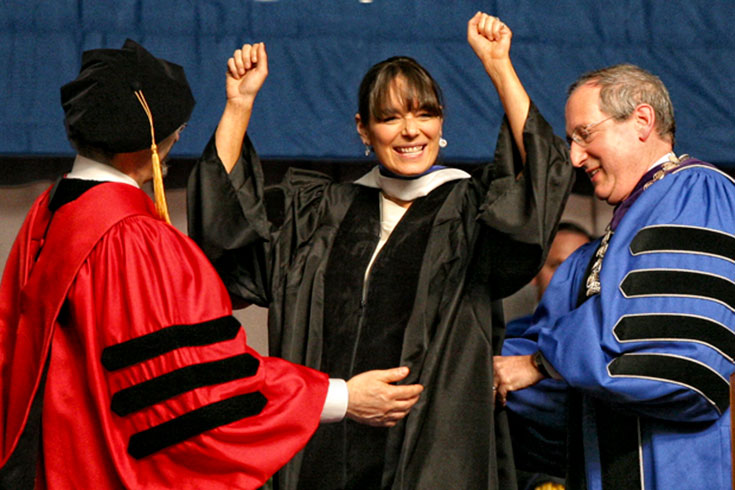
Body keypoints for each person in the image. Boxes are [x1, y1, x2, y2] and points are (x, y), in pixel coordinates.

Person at [0, 39, 423, 490]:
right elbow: (198, 389)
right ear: (140, 144)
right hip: (108, 472)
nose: (176, 139)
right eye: (171, 131)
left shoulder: (50, 213)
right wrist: (341, 396)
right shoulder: (134, 240)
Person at [188, 12, 573, 490]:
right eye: (390, 118)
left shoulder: (470, 213)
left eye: (423, 113)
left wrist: (499, 66)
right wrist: (238, 105)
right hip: (318, 457)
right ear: (364, 130)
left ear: (440, 123)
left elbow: (539, 184)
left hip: (431, 459)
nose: (410, 130)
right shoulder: (320, 213)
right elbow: (227, 242)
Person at [495, 63, 735, 489]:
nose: (574, 157)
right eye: (570, 141)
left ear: (642, 121)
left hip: (673, 469)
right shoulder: (593, 253)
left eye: (585, 135)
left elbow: (677, 364)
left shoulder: (695, 192)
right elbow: (542, 381)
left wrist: (541, 362)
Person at [503, 221, 592, 490]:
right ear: (535, 272)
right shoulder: (510, 338)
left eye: (582, 271)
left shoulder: (604, 343)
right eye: (558, 267)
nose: (569, 280)